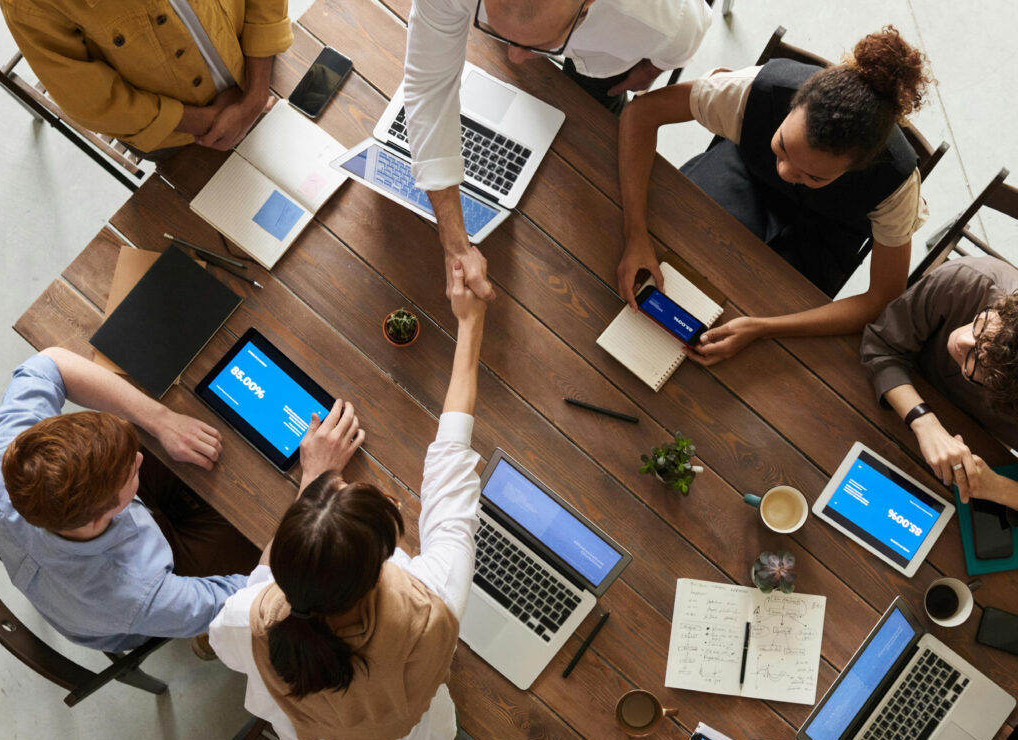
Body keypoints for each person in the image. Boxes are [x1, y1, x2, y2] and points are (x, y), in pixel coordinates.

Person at [209, 261, 486, 740]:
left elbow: (258, 590)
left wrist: (312, 481)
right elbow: (451, 473)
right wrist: (470, 324)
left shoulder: (245, 620)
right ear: (383, 564)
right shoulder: (431, 601)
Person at [617, 26, 933, 365]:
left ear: (858, 167)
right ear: (793, 105)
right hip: (744, 175)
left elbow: (882, 297)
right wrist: (635, 233)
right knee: (675, 251)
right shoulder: (754, 91)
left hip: (826, 234)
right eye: (782, 147)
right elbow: (641, 113)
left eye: (813, 175)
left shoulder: (896, 184)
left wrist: (762, 328)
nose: (785, 172)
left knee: (760, 342)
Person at [404, 0, 712, 303]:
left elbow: (685, 41)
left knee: (597, 104)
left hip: (607, 57)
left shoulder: (666, 21)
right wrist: (455, 245)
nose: (516, 57)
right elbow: (428, 91)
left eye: (538, 45)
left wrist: (650, 70)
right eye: (502, 34)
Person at [0, 348, 259, 653]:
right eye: (130, 472)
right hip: (137, 603)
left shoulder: (14, 457)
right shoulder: (135, 595)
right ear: (97, 519)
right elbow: (253, 599)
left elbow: (50, 361)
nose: (139, 458)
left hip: (83, 558)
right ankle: (205, 640)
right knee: (263, 545)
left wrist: (162, 420)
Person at [0, 0, 293, 154]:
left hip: (260, 68)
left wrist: (254, 96)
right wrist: (208, 121)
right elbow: (90, 101)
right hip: (181, 138)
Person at [861, 256, 1018, 507]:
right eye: (982, 324)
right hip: (885, 399)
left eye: (978, 360)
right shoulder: (969, 280)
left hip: (976, 465)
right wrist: (924, 423)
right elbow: (881, 345)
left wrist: (1000, 489)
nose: (963, 340)